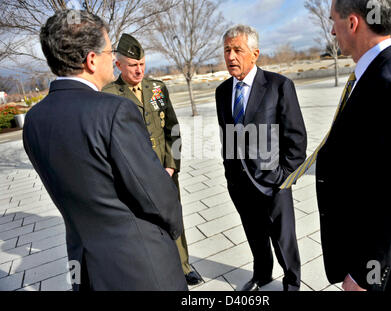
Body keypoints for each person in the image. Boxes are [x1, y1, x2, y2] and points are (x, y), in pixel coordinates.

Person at [23, 10, 187, 291]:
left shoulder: (34, 121)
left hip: (85, 266)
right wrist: (171, 231)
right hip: (140, 265)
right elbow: (156, 194)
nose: (113, 58)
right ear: (90, 60)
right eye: (110, 51)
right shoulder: (113, 110)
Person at [315, 0, 391, 291]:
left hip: (381, 262)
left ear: (353, 23)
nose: (332, 30)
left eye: (334, 21)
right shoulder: (377, 72)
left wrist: (365, 273)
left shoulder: (389, 83)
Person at [103, 33, 202, 286]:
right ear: (119, 65)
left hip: (164, 170)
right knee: (143, 223)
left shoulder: (157, 87)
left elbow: (173, 129)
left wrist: (171, 165)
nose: (139, 70)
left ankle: (183, 265)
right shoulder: (109, 94)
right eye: (133, 65)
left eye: (142, 64)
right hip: (133, 173)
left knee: (173, 216)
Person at [215, 25, 307, 291]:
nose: (231, 57)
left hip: (273, 182)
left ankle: (292, 282)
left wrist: (283, 176)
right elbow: (227, 136)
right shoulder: (222, 92)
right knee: (254, 234)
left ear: (255, 54)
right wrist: (229, 172)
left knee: (284, 239)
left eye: (238, 50)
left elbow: (296, 138)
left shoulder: (279, 86)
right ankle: (262, 275)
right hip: (239, 183)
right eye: (227, 50)